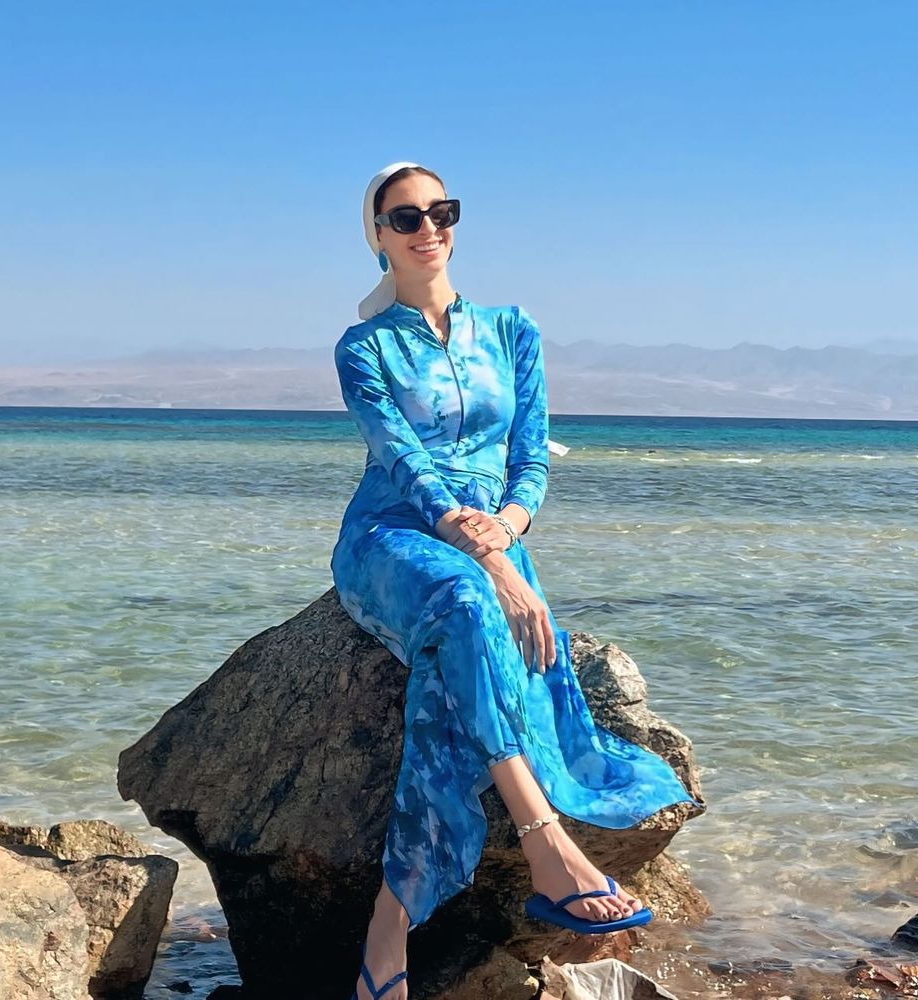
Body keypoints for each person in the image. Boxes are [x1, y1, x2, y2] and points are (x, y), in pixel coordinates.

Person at [330, 161, 701, 1000]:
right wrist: (494, 563)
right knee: (464, 601)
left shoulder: (512, 330)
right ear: (377, 236)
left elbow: (530, 460)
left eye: (441, 211)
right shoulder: (365, 347)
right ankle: (546, 846)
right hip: (393, 537)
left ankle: (386, 932)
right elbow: (411, 471)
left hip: (494, 536)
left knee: (452, 660)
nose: (428, 228)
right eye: (405, 217)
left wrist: (511, 530)